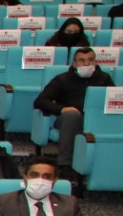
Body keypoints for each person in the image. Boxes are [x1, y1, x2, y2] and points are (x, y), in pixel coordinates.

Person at [33, 47, 113, 179]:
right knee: (72, 116)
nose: (87, 64)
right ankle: (65, 165)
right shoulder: (62, 79)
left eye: (90, 60)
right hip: (69, 119)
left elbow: (114, 99)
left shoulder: (104, 78)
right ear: (74, 63)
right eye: (82, 61)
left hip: (96, 121)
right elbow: (40, 101)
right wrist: (62, 109)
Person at [0, 157, 84, 216]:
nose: (40, 180)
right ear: (25, 178)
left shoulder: (70, 204)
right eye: (34, 175)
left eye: (47, 176)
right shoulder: (5, 202)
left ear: (54, 181)